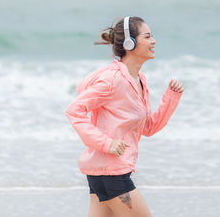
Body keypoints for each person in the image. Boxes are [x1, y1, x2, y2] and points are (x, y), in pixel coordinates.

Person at [65, 16, 184, 217]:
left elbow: (148, 128)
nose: (153, 41)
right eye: (147, 36)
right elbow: (74, 110)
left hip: (106, 172)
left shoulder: (138, 80)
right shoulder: (113, 79)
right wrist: (106, 143)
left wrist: (171, 98)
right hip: (112, 174)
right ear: (130, 43)